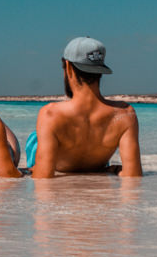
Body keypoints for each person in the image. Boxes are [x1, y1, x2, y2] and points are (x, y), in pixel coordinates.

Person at [28, 36, 142, 178]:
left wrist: (36, 169)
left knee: (34, 137)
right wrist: (115, 171)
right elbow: (133, 175)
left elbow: (43, 176)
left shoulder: (50, 114)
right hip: (98, 167)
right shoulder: (126, 114)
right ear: (100, 70)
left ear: (68, 67)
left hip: (59, 168)